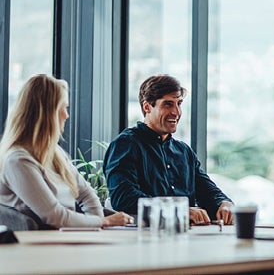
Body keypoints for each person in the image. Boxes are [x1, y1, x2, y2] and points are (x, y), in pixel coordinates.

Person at [0, 74, 133, 228]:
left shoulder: (54, 152)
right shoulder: (18, 161)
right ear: (48, 113)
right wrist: (103, 221)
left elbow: (86, 194)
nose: (67, 115)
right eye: (64, 108)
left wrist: (97, 226)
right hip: (39, 245)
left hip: (63, 238)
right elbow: (55, 216)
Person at [104, 74, 234, 225]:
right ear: (147, 107)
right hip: (143, 239)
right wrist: (179, 210)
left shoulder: (184, 151)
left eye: (179, 103)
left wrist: (224, 203)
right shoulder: (126, 144)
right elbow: (124, 198)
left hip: (186, 238)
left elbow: (207, 190)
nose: (177, 112)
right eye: (168, 104)